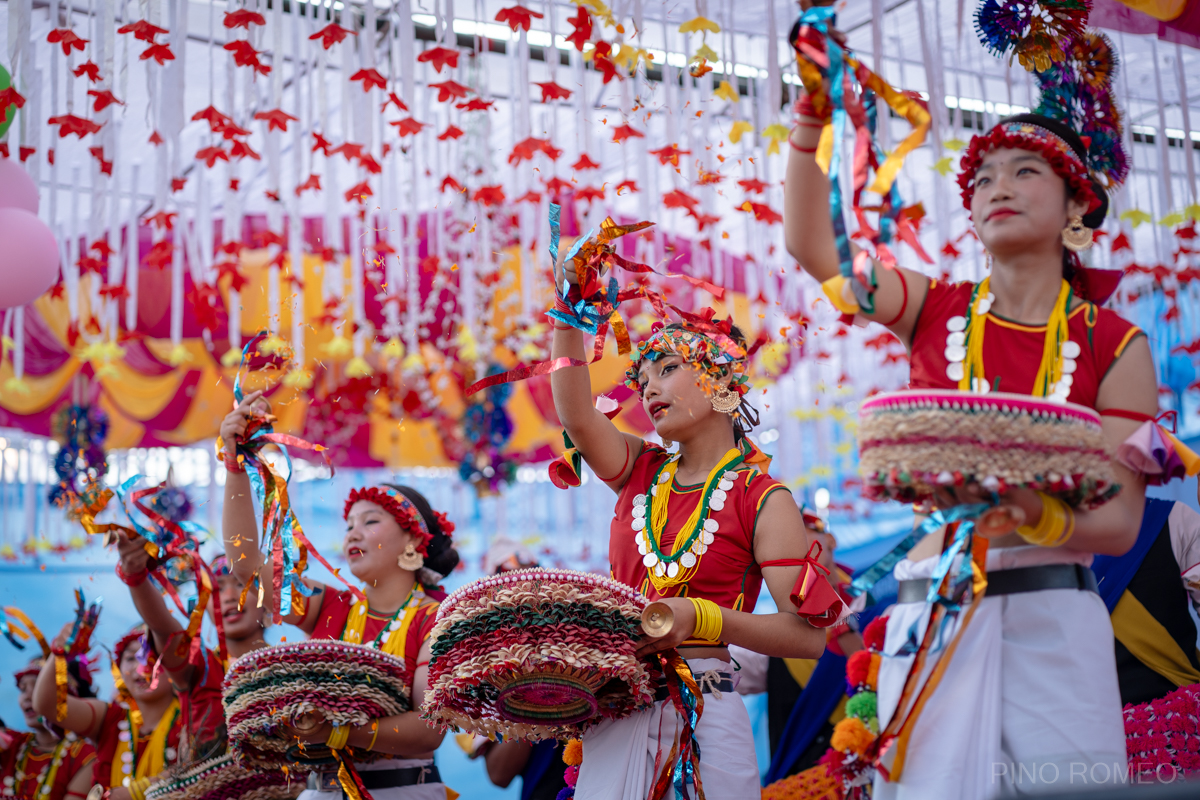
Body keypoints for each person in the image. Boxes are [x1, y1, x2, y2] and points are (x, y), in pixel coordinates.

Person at [785, 21, 1157, 798]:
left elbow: (1120, 524)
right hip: (932, 621)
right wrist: (810, 122)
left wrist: (1018, 507)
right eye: (984, 177)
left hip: (1054, 625)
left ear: (1078, 206)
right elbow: (816, 250)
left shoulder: (1116, 345)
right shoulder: (933, 308)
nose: (999, 189)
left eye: (1026, 173)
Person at [547, 250, 828, 797]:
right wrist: (568, 314)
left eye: (667, 370)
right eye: (642, 379)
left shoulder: (763, 498)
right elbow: (578, 418)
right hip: (617, 707)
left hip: (710, 710)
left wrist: (700, 618)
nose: (648, 389)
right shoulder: (639, 470)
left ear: (721, 379)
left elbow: (807, 637)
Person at [219, 390, 458, 800]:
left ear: (413, 542)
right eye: (348, 524)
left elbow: (427, 730)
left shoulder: (435, 619)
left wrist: (337, 731)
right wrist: (235, 464)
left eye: (370, 521)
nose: (353, 532)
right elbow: (245, 566)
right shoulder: (333, 608)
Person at [33, 625, 188, 800]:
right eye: (130, 657)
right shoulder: (110, 718)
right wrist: (59, 652)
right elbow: (48, 705)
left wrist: (134, 793)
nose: (141, 666)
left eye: (153, 656)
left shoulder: (192, 716)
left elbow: (195, 768)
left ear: (174, 665)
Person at [475, 540, 570, 800]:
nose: (523, 595)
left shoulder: (582, 644)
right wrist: (533, 698)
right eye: (507, 587)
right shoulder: (482, 671)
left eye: (533, 580)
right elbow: (499, 775)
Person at [2, 658, 98, 800]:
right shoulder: (11, 743)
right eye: (22, 689)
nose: (27, 697)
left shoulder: (84, 756)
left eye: (37, 688)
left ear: (66, 696)